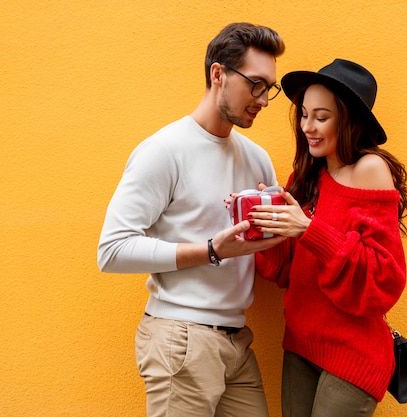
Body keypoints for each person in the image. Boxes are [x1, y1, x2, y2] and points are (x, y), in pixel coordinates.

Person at [97, 22, 286, 417]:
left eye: (269, 87)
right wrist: (212, 250)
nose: (264, 99)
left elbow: (268, 247)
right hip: (180, 337)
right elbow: (112, 250)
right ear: (218, 74)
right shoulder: (164, 151)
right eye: (255, 84)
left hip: (237, 340)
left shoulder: (257, 158)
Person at [248, 59, 407, 417]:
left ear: (349, 120)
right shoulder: (306, 176)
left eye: (321, 117)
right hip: (300, 344)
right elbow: (282, 272)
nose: (308, 127)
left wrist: (309, 230)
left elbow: (384, 280)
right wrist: (264, 220)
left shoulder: (370, 170)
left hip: (353, 354)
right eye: (304, 115)